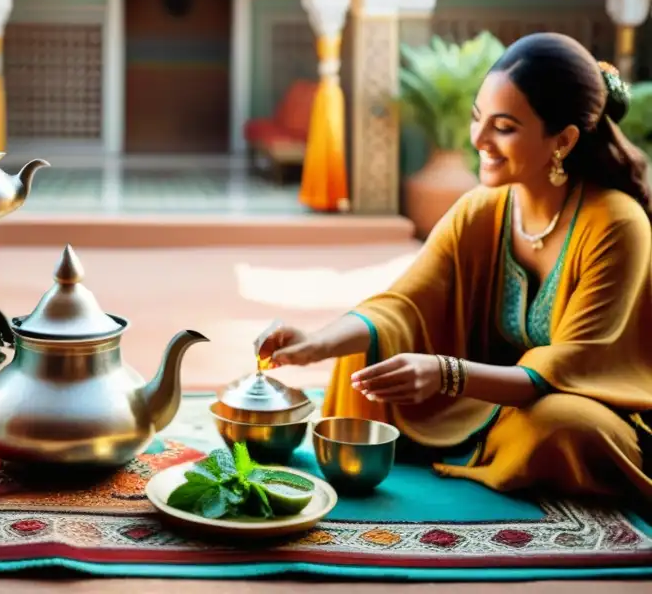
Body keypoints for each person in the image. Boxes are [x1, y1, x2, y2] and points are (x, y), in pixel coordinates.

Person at [260, 32, 652, 500]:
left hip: (583, 405)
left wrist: (446, 374)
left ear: (563, 140)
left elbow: (571, 369)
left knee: (560, 427)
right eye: (476, 118)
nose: (479, 139)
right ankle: (477, 446)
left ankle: (486, 452)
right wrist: (315, 344)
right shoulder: (482, 208)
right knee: (363, 355)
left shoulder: (615, 223)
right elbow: (404, 304)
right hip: (484, 403)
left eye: (504, 127)